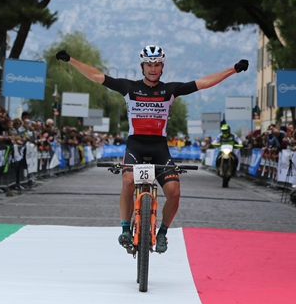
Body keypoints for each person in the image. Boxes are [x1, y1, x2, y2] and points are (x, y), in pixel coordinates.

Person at [58, 44, 248, 253]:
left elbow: (203, 83)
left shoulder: (170, 90)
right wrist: (70, 60)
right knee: (128, 181)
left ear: (162, 67)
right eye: (149, 65)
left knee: (174, 191)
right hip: (135, 146)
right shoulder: (129, 88)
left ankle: (163, 232)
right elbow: (96, 76)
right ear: (142, 66)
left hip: (159, 147)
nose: (153, 69)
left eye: (157, 65)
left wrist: (233, 69)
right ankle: (125, 229)